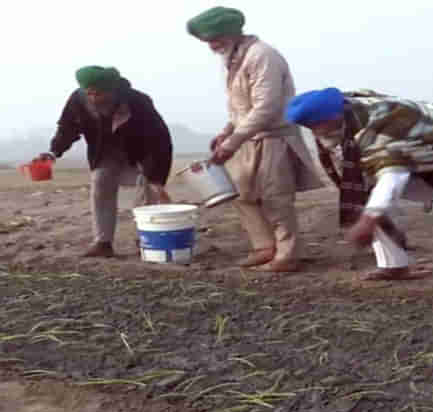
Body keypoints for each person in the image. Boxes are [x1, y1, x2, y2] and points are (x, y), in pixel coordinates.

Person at [285, 88, 433, 280]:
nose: (313, 132)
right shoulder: (341, 116)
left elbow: (392, 175)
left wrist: (368, 219)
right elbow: (356, 175)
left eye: (314, 126)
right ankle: (394, 265)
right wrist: (366, 209)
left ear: (332, 118)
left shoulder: (382, 122)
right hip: (414, 157)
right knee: (366, 193)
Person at [187, 6, 324, 272]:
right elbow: (240, 105)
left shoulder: (263, 55)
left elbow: (266, 107)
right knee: (242, 194)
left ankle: (287, 255)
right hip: (246, 136)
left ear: (232, 33)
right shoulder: (232, 58)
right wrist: (227, 131)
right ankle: (264, 247)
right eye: (208, 41)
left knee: (276, 198)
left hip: (274, 137)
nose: (212, 46)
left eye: (215, 39)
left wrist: (232, 141)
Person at [35, 66, 173, 258]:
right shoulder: (78, 100)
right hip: (105, 154)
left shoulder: (138, 102)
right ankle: (103, 242)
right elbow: (67, 128)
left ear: (112, 90)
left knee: (148, 187)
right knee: (100, 182)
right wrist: (53, 152)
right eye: (89, 93)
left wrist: (156, 178)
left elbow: (159, 141)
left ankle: (146, 238)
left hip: (141, 154)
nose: (93, 98)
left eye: (98, 94)